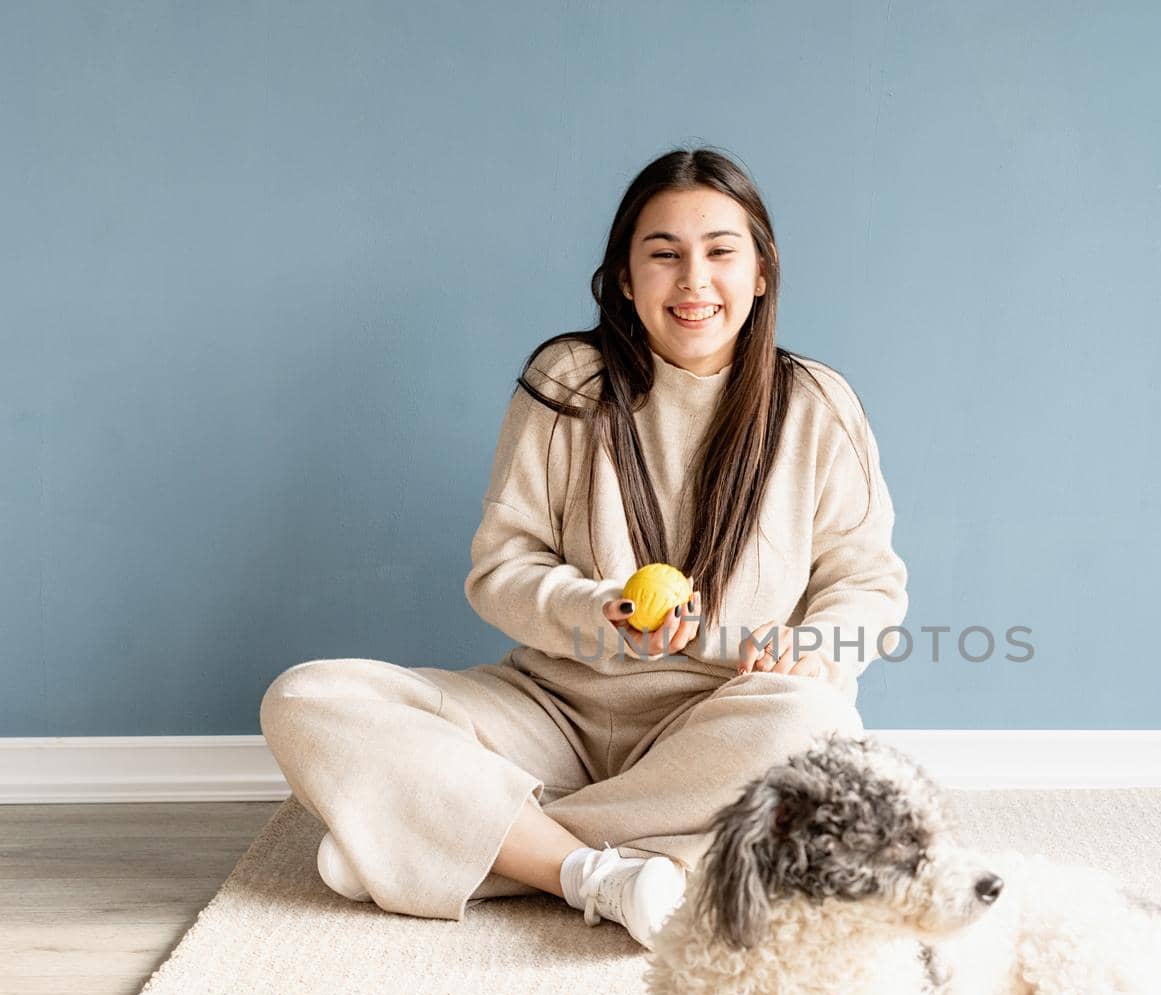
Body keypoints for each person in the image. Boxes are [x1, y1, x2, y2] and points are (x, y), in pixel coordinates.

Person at [259, 147, 909, 949]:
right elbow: (500, 571)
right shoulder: (568, 381)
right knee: (308, 697)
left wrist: (812, 645)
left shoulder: (818, 405)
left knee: (816, 722)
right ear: (626, 280)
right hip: (552, 713)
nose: (693, 281)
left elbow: (868, 584)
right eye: (663, 255)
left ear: (762, 272)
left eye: (720, 252)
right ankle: (595, 873)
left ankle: (477, 848)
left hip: (716, 723)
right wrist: (597, 607)